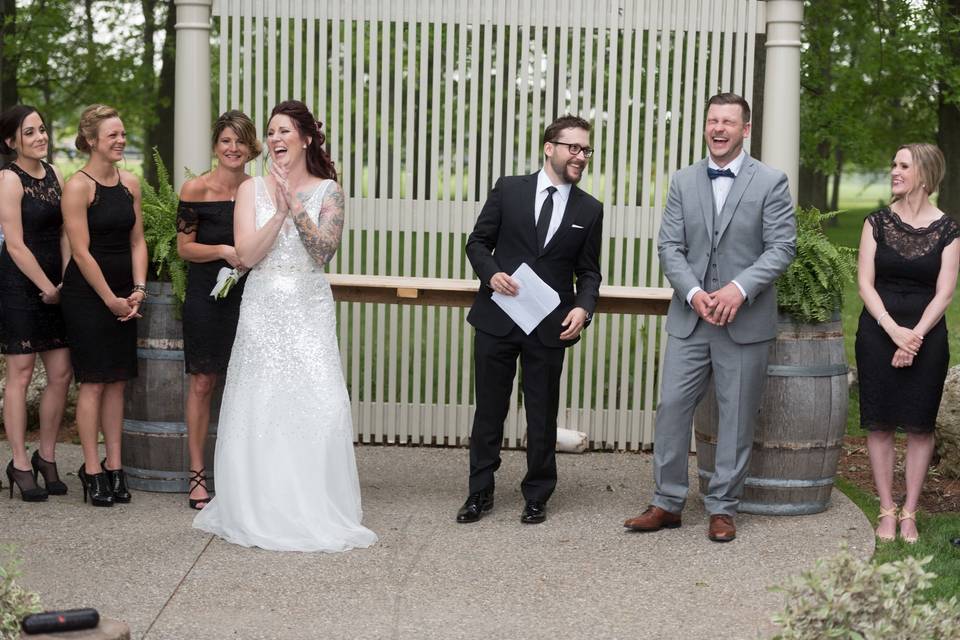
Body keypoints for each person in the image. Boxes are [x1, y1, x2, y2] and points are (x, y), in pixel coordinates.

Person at [193, 100, 377, 552]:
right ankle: (259, 503)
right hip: (263, 307)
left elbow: (323, 252)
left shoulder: (329, 191)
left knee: (319, 401)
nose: (275, 140)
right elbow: (248, 256)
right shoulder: (250, 191)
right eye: (271, 133)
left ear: (307, 139)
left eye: (284, 132)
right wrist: (275, 212)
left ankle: (313, 502)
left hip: (309, 307)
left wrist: (293, 201)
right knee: (262, 401)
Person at [623, 93, 796, 542]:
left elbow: (781, 248)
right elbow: (669, 248)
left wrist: (738, 289)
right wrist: (695, 292)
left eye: (728, 122)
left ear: (746, 129)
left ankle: (723, 508)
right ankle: (666, 502)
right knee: (672, 409)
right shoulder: (683, 180)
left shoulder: (771, 182)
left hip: (745, 321)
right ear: (705, 127)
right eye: (712, 121)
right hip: (691, 318)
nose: (719, 129)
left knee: (736, 416)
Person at [457, 114, 603, 525]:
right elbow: (477, 242)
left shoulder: (590, 209)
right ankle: (478, 493)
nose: (580, 155)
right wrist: (491, 273)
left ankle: (537, 495)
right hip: (497, 318)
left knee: (542, 413)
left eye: (586, 149)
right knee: (488, 411)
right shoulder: (509, 189)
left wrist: (583, 307)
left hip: (549, 325)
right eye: (573, 147)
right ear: (549, 147)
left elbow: (589, 272)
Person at [855, 143, 959, 544]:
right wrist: (892, 330)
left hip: (927, 336)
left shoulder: (949, 230)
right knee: (879, 422)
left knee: (919, 425)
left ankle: (910, 512)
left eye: (903, 165)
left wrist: (913, 337)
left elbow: (945, 293)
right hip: (878, 333)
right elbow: (864, 283)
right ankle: (886, 509)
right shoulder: (876, 222)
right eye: (893, 163)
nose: (894, 171)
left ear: (926, 175)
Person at [60, 104, 147, 507]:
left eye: (123, 133)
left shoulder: (130, 182)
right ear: (92, 140)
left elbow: (137, 241)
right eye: (112, 134)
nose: (121, 140)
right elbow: (79, 251)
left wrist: (138, 290)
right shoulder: (78, 186)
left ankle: (116, 466)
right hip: (89, 297)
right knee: (93, 382)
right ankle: (91, 469)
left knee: (117, 382)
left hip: (125, 296)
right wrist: (109, 299)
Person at [176, 110, 260, 510]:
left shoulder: (257, 190)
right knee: (203, 383)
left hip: (252, 296)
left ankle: (243, 475)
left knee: (246, 387)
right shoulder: (195, 190)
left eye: (240, 141)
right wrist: (224, 250)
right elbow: (184, 248)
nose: (233, 148)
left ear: (251, 148)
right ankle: (196, 475)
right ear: (215, 145)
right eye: (226, 140)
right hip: (205, 296)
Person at [0, 105, 73, 501]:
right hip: (19, 284)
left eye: (42, 129)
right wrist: (47, 286)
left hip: (56, 283)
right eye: (30, 133)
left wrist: (64, 279)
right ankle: (19, 463)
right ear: (12, 141)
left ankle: (46, 456)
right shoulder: (8, 180)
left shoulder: (57, 175)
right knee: (21, 375)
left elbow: (63, 233)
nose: (40, 137)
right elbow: (14, 244)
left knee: (61, 374)